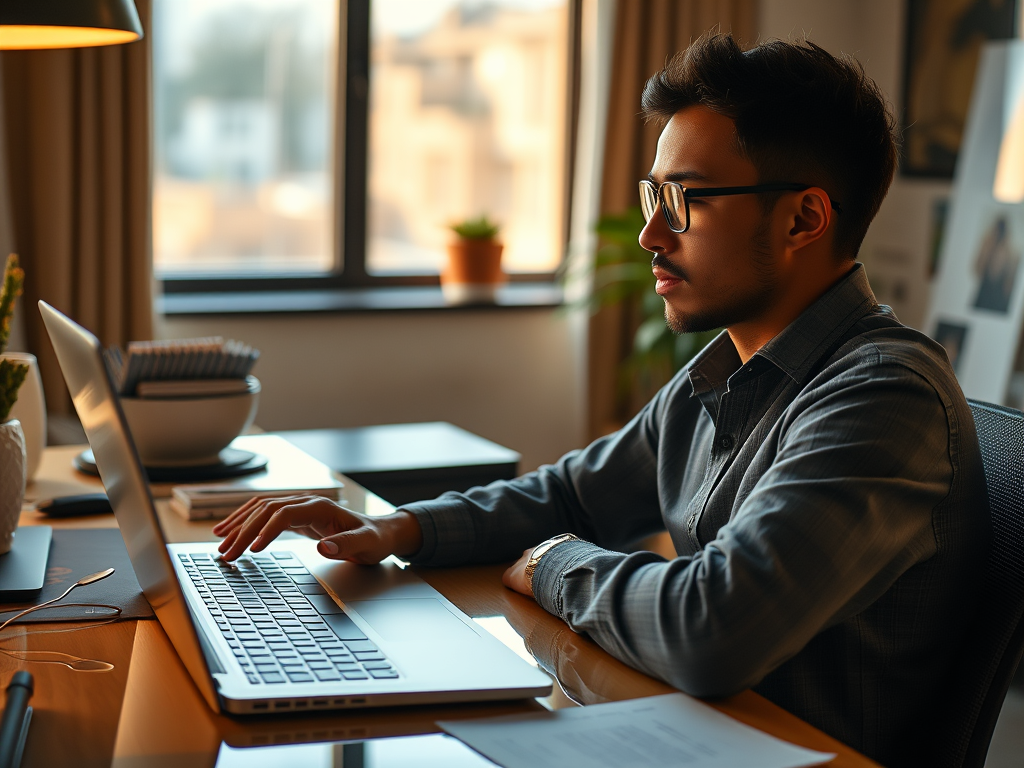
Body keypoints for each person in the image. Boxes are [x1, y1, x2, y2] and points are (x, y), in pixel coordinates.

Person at [213, 34, 989, 766]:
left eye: (685, 200)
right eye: (654, 194)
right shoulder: (719, 376)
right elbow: (572, 494)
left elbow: (709, 628)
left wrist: (553, 561)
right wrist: (394, 529)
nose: (651, 234)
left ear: (802, 219)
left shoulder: (883, 397)